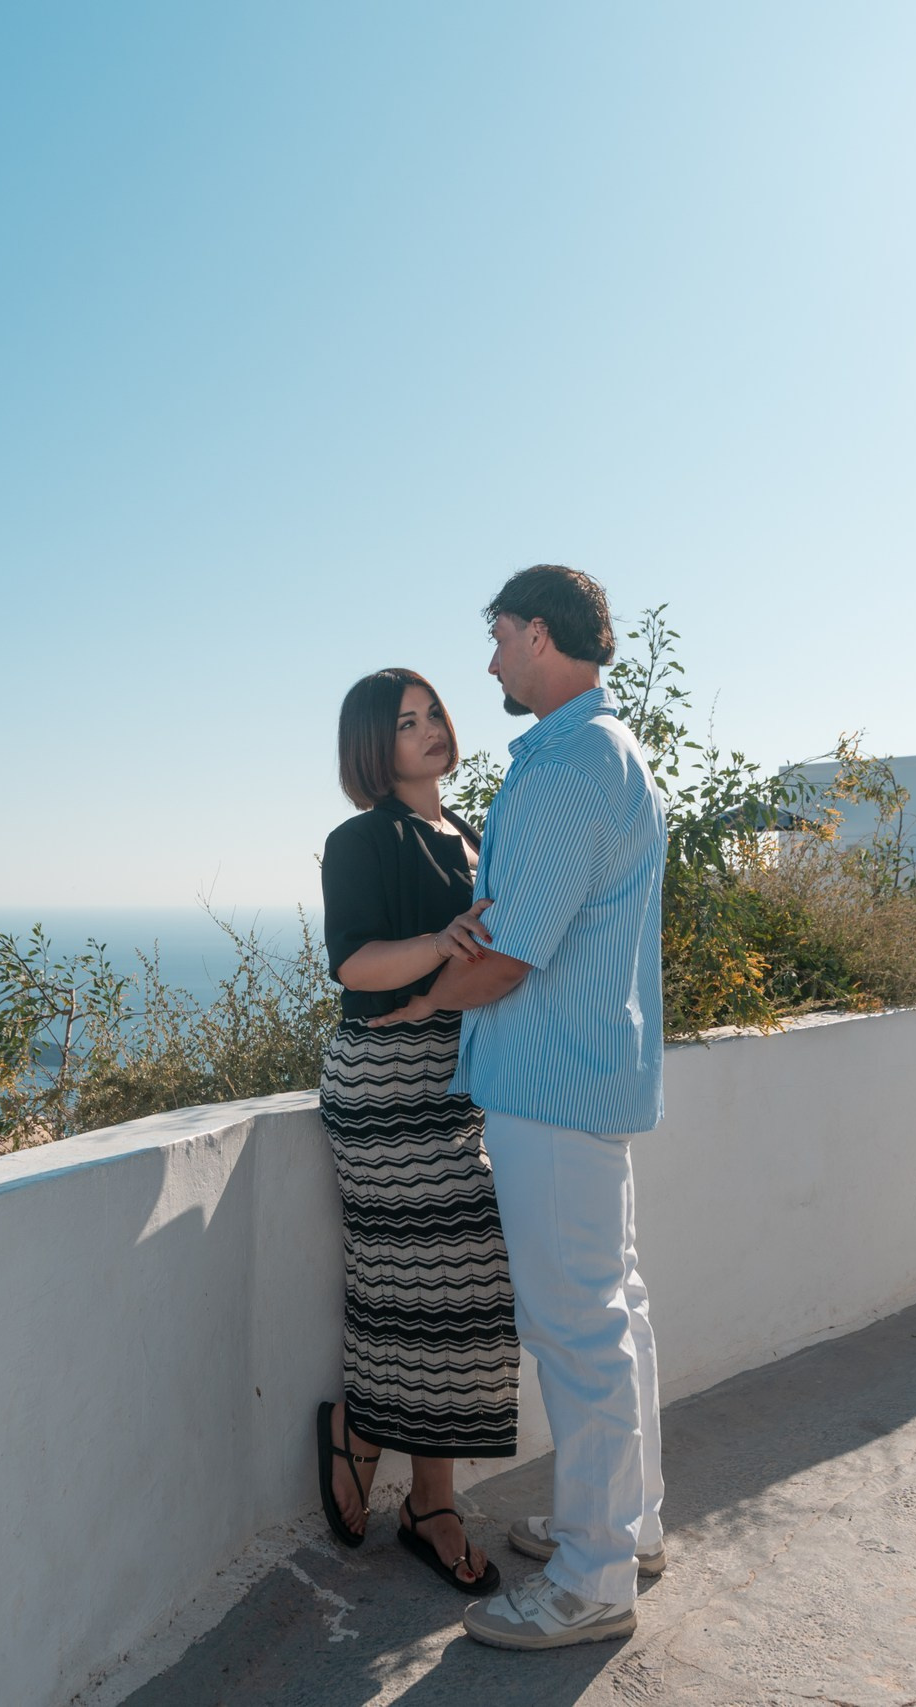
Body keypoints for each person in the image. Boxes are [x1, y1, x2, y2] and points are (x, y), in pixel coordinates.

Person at [368, 566, 669, 1651]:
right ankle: (624, 1532)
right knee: (613, 1313)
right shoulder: (597, 753)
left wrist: (416, 1004)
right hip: (586, 1077)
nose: (489, 661)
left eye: (498, 638)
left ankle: (592, 1581)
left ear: (540, 636)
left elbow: (505, 956)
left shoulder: (572, 764)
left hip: (548, 1085)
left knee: (575, 1331)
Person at [313, 667, 519, 1596]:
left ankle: (412, 1481)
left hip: (454, 1080)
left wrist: (443, 983)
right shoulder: (358, 838)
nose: (432, 728)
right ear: (374, 745)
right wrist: (439, 950)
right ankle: (392, 1465)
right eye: (407, 722)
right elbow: (354, 963)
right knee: (415, 1281)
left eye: (434, 712)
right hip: (385, 1087)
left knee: (459, 1291)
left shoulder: (467, 833)